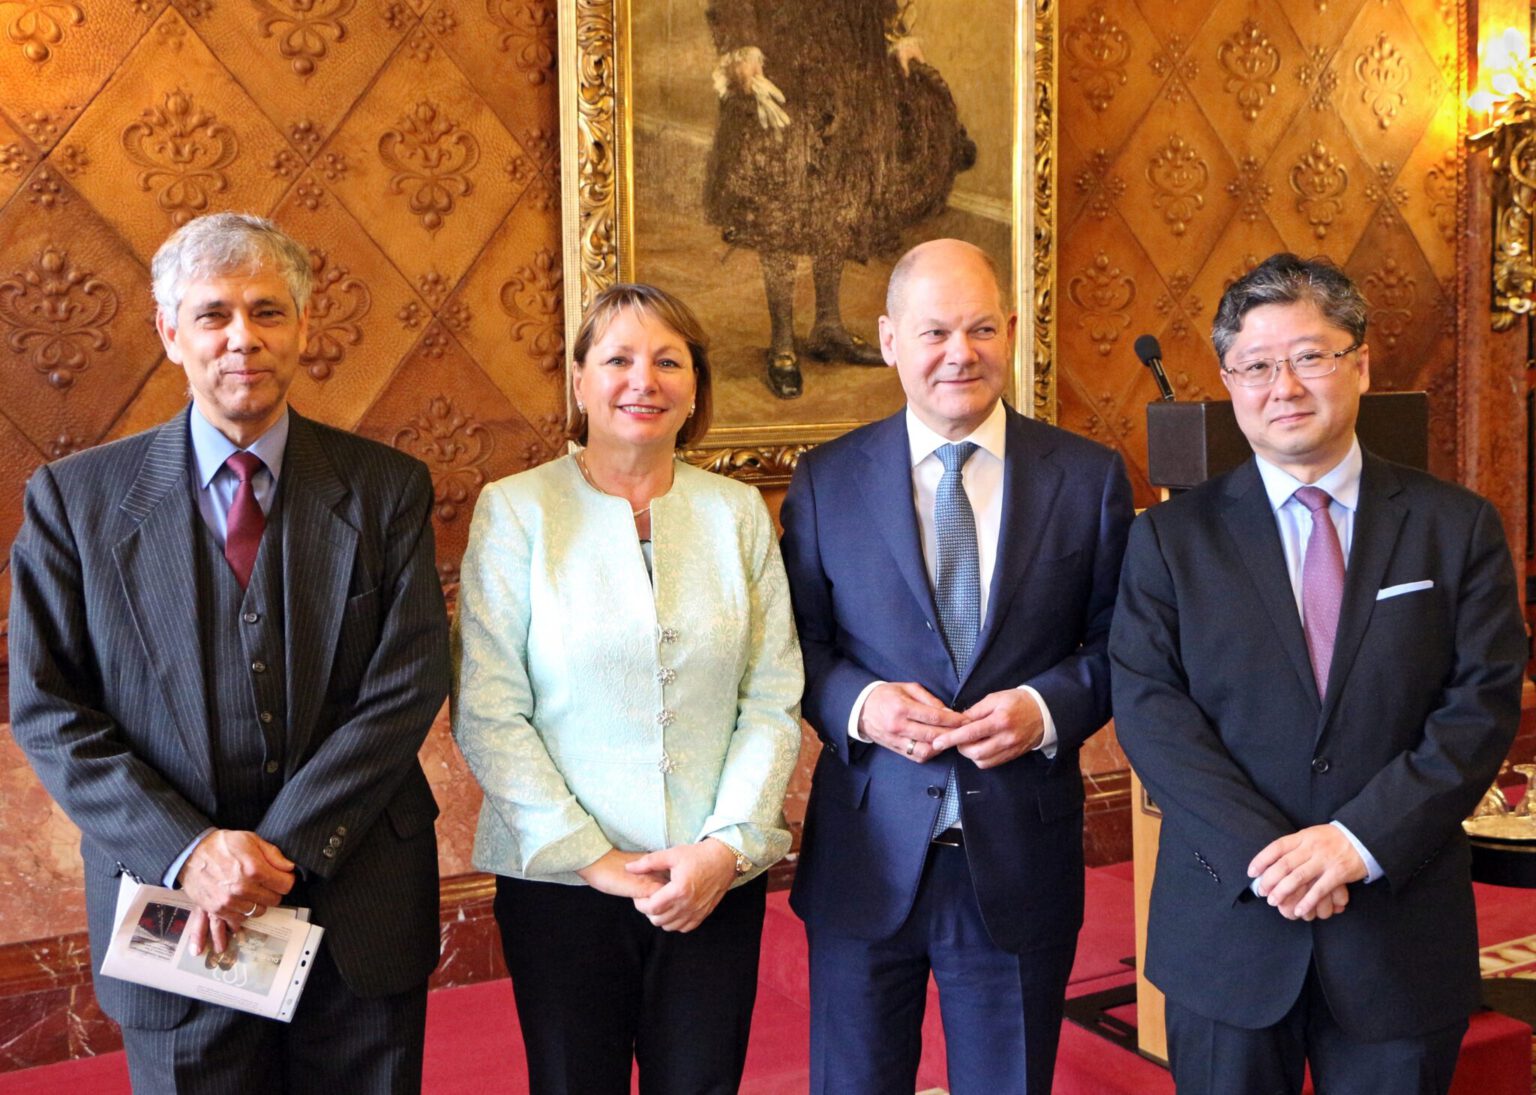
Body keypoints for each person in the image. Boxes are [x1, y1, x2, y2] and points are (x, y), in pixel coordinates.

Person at [7, 212, 450, 1092]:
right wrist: (192, 852)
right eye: (213, 314)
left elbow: (406, 684)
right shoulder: (73, 500)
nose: (242, 337)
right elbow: (49, 708)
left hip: (358, 894)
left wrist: (272, 853)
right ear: (170, 332)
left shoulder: (386, 487)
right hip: (176, 909)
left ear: (304, 327)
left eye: (267, 311)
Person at [1109, 253, 1526, 1095]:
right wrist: (1269, 859)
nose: (1285, 386)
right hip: (1228, 928)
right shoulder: (1170, 539)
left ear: (1360, 364)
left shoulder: (1455, 526)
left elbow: (1478, 707)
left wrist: (1355, 842)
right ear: (1230, 382)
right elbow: (1152, 713)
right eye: (1257, 366)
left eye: (1310, 356)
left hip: (1398, 930)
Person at [779, 238, 1134, 1093]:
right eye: (934, 331)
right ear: (889, 339)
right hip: (866, 853)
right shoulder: (826, 480)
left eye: (980, 328)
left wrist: (1044, 710)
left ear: (1010, 331)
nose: (959, 353)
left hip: (1019, 852)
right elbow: (795, 647)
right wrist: (863, 704)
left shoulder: (1087, 478)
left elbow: (1124, 644)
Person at [452, 283, 803, 1093]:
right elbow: (488, 709)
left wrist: (724, 849)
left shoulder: (739, 512)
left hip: (711, 880)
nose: (643, 380)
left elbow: (772, 697)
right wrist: (595, 858)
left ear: (695, 387)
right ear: (580, 381)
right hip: (562, 884)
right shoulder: (516, 510)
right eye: (618, 359)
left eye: (668, 361)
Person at [705, 0, 975, 399]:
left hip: (853, 59)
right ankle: (782, 341)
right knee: (782, 199)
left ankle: (828, 325)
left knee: (839, 195)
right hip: (783, 56)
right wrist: (740, 47)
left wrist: (896, 35)